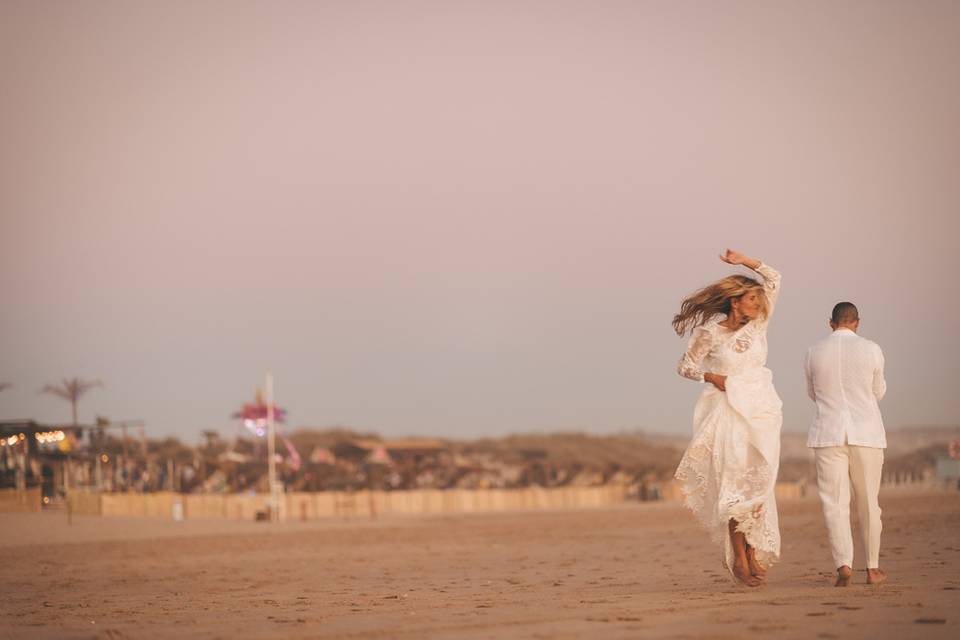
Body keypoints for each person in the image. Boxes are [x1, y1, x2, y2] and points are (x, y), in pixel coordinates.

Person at [673, 249, 783, 587]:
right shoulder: (709, 333)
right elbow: (686, 367)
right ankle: (739, 555)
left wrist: (746, 261)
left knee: (760, 484)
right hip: (726, 414)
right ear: (736, 302)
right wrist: (712, 378)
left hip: (762, 412)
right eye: (752, 299)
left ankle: (752, 549)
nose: (758, 304)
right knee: (736, 485)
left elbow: (775, 279)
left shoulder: (759, 324)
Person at [804, 302, 887, 586]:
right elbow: (878, 391)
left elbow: (812, 393)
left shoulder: (814, 351)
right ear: (857, 322)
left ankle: (843, 563)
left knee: (835, 503)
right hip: (867, 433)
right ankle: (873, 568)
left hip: (828, 432)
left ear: (831, 323)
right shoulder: (872, 349)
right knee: (868, 503)